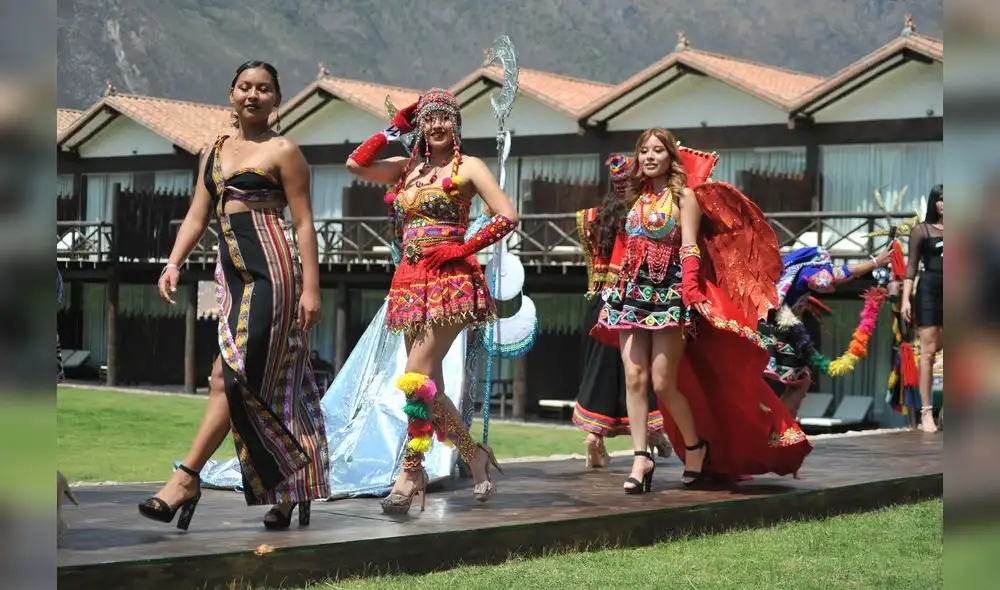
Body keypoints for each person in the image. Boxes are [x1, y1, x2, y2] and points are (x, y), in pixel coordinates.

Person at [140, 61, 330, 531]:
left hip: (274, 272)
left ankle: (186, 478)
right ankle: (292, 483)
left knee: (232, 378)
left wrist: (311, 288)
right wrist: (173, 261)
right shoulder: (213, 152)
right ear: (231, 94)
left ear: (276, 99)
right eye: (245, 87)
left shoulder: (284, 151)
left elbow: (304, 223)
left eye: (263, 89)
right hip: (232, 276)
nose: (253, 95)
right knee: (250, 382)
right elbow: (196, 216)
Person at [591, 128, 812, 492]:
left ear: (669, 158)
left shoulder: (685, 197)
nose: (648, 157)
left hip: (669, 296)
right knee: (634, 378)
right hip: (630, 295)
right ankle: (640, 456)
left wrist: (691, 290)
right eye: (643, 151)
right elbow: (623, 247)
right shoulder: (633, 199)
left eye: (657, 150)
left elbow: (690, 247)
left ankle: (695, 448)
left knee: (663, 382)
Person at [346, 88, 519, 514]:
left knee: (413, 375)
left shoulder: (469, 167)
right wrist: (394, 128)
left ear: (456, 125)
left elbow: (508, 216)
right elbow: (355, 164)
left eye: (445, 117)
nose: (437, 124)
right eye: (428, 118)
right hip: (408, 281)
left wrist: (462, 249)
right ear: (419, 126)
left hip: (450, 280)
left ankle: (410, 469)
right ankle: (474, 454)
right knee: (429, 388)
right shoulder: (408, 168)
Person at [574, 154, 670, 468]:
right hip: (632, 302)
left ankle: (594, 438)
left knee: (599, 373)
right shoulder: (643, 216)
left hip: (595, 303)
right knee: (640, 371)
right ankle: (654, 433)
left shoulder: (589, 218)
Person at [759, 246, 891, 418]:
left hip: (770, 329)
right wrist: (875, 262)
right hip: (777, 332)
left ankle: (774, 427)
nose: (826, 271)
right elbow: (835, 276)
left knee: (784, 380)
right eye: (824, 267)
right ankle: (779, 430)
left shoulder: (787, 276)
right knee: (800, 382)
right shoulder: (805, 272)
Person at [901, 185, 943, 433]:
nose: (944, 204)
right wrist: (906, 300)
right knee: (927, 353)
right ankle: (926, 412)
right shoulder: (922, 229)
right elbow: (911, 268)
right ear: (933, 203)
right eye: (940, 200)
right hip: (929, 290)